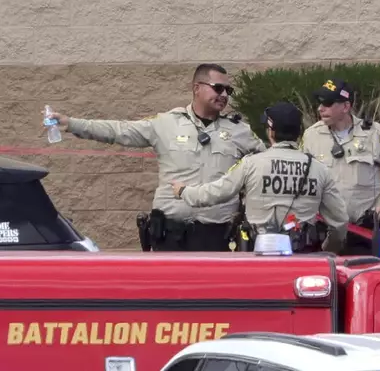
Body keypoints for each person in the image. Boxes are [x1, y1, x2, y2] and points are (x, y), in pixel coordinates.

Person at [45, 63, 267, 252]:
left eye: (229, 90)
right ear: (197, 88)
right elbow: (119, 131)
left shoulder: (240, 131)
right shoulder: (166, 123)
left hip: (218, 235)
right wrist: (72, 124)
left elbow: (267, 163)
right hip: (171, 234)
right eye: (218, 88)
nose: (225, 95)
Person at [170, 101, 349, 253]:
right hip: (303, 255)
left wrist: (184, 191)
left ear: (271, 132)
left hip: (257, 256)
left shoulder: (251, 163)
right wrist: (328, 249)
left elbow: (214, 193)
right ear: (299, 132)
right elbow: (340, 222)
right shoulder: (319, 169)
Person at [300, 78, 380, 255]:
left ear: (345, 106)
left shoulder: (373, 133)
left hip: (363, 233)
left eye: (328, 104)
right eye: (319, 103)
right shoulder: (311, 135)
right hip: (324, 234)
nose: (320, 109)